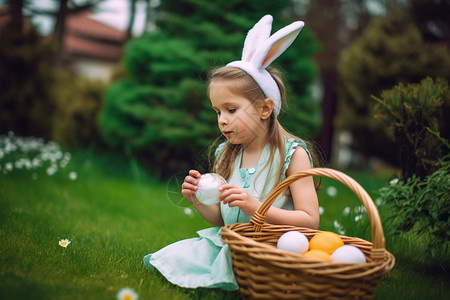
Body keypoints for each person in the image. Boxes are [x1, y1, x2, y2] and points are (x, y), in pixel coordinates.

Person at [143, 15, 320, 291]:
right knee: (175, 256)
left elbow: (310, 221)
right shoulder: (228, 152)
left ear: (264, 109)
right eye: (217, 112)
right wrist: (199, 200)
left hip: (271, 249)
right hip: (230, 241)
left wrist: (255, 206)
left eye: (231, 110)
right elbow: (221, 218)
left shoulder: (292, 154)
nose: (222, 120)